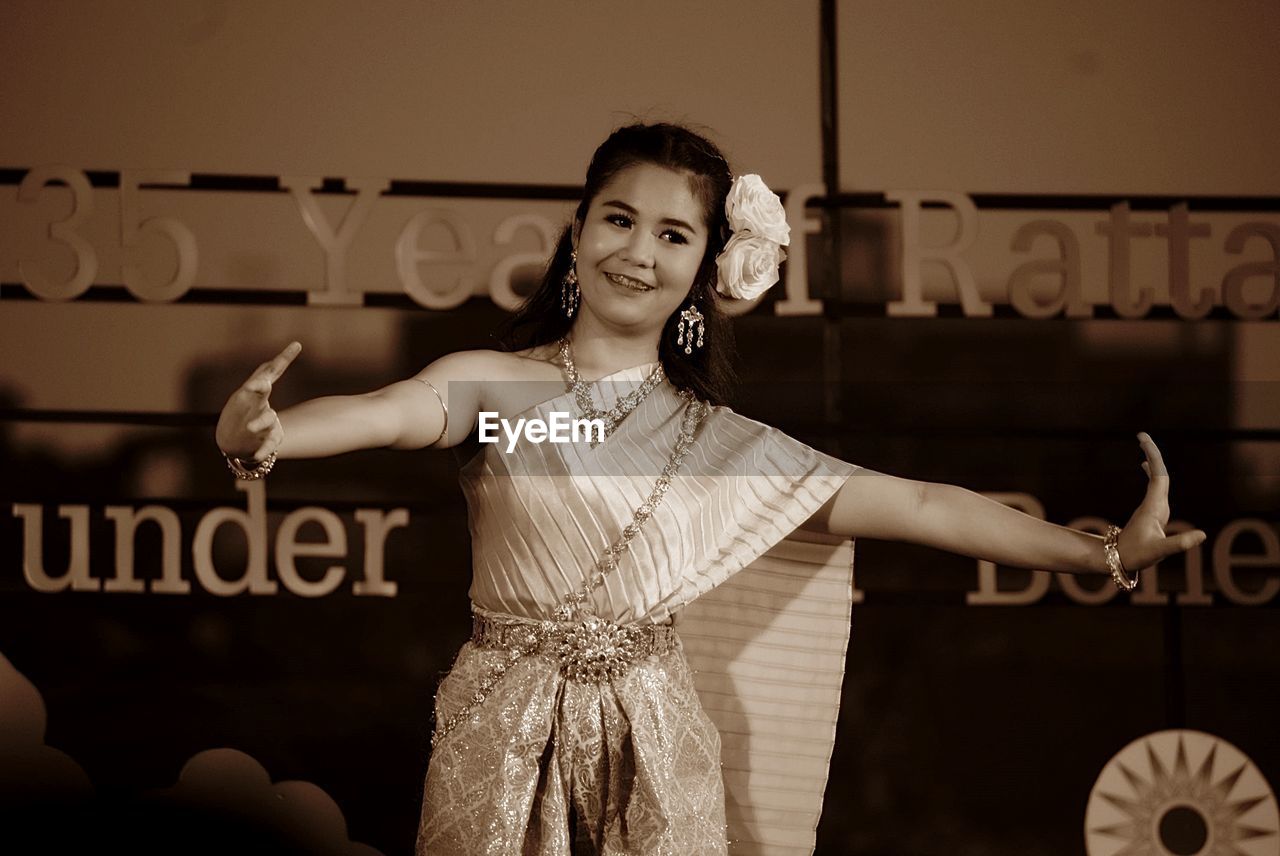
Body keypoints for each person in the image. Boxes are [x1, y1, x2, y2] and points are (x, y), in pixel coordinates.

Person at [214, 122, 1206, 855]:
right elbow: (395, 410)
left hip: (656, 740)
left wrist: (1100, 551)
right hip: (500, 732)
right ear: (576, 231)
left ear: (704, 271)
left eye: (671, 235)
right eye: (617, 218)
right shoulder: (501, 387)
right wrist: (269, 436)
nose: (636, 251)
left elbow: (915, 504)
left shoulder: (724, 446)